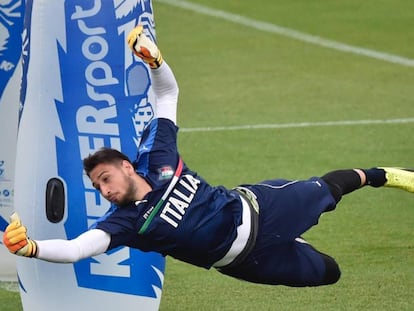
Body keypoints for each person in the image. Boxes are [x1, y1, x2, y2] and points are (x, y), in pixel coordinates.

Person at [3, 25, 414, 287]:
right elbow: (75, 249)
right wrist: (33, 248)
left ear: (127, 166)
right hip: (244, 260)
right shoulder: (125, 224)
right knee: (330, 273)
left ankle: (388, 174)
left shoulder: (158, 156)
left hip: (263, 210)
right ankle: (299, 241)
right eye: (97, 186)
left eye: (105, 178)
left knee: (333, 187)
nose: (103, 190)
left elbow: (166, 93)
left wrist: (155, 62)